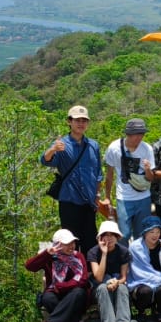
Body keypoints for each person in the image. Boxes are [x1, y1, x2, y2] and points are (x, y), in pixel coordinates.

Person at [40, 105, 104, 254]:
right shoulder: (62, 144)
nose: (81, 123)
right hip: (69, 200)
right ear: (69, 121)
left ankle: (88, 274)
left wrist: (97, 195)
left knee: (89, 241)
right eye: (77, 120)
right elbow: (45, 160)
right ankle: (71, 274)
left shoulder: (93, 145)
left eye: (84, 120)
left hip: (88, 201)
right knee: (69, 242)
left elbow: (98, 173)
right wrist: (53, 149)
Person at [25, 228, 90, 322]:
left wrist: (61, 286)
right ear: (57, 245)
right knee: (47, 298)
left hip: (73, 294)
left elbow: (83, 280)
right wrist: (46, 254)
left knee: (79, 292)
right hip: (55, 294)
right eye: (66, 244)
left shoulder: (78, 256)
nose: (71, 246)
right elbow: (29, 266)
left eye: (72, 242)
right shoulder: (49, 258)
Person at [104, 118, 156, 240]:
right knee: (124, 234)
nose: (139, 137)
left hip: (143, 197)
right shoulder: (114, 148)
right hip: (124, 197)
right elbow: (109, 174)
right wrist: (107, 197)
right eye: (136, 134)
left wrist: (148, 169)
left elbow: (150, 178)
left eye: (141, 133)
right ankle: (124, 259)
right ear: (128, 133)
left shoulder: (146, 149)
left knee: (142, 233)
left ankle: (140, 258)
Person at [87, 220, 137, 322]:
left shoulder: (123, 251)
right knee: (103, 288)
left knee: (123, 287)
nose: (109, 238)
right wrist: (104, 254)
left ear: (117, 237)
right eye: (106, 235)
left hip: (117, 282)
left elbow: (124, 277)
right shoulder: (93, 252)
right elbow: (98, 278)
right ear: (100, 237)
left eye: (112, 235)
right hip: (99, 287)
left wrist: (116, 282)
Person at [128, 216, 161, 322]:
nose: (155, 235)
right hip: (139, 280)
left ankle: (159, 312)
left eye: (158, 231)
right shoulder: (135, 247)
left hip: (159, 279)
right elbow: (135, 269)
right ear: (145, 233)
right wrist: (152, 278)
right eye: (151, 231)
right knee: (145, 291)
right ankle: (141, 313)